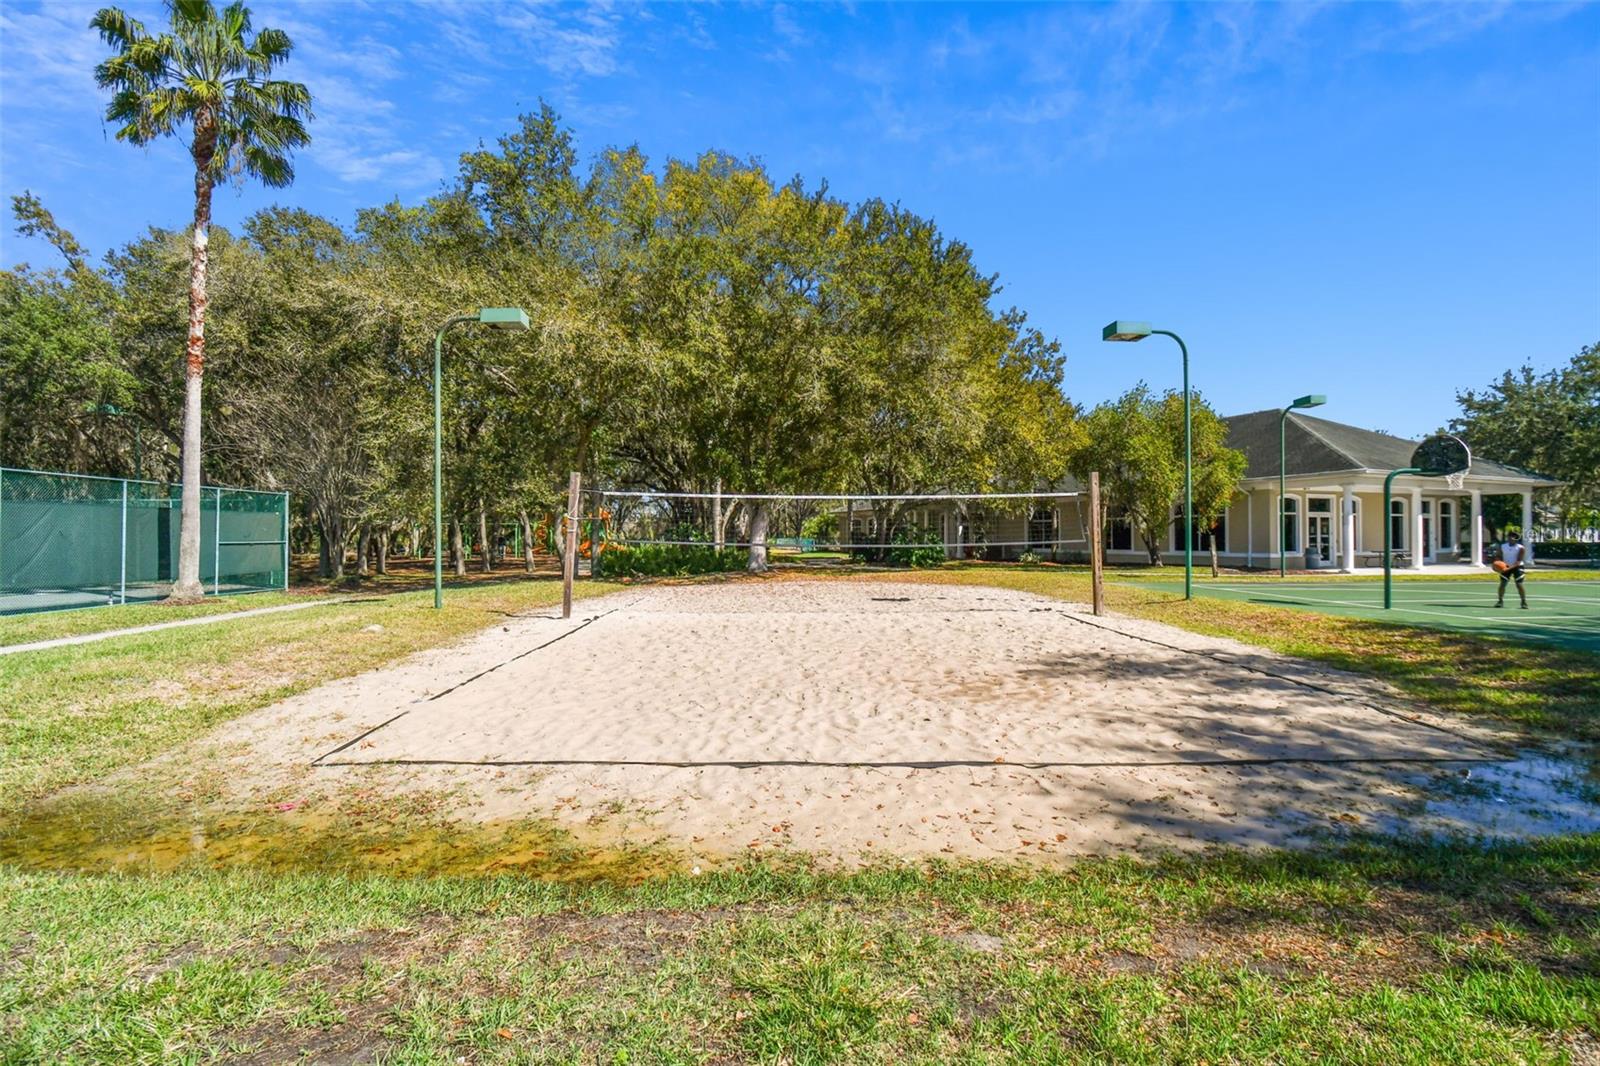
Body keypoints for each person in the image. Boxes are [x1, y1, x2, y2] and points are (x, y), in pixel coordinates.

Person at [1495, 531, 1529, 609]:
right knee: (1503, 584)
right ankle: (1500, 601)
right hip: (1505, 566)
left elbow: (1518, 561)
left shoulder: (1521, 548)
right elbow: (1498, 556)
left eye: (1514, 537)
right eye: (1510, 536)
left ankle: (1523, 602)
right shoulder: (1503, 546)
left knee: (1519, 584)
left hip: (1517, 567)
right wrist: (1497, 564)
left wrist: (1507, 568)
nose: (1512, 538)